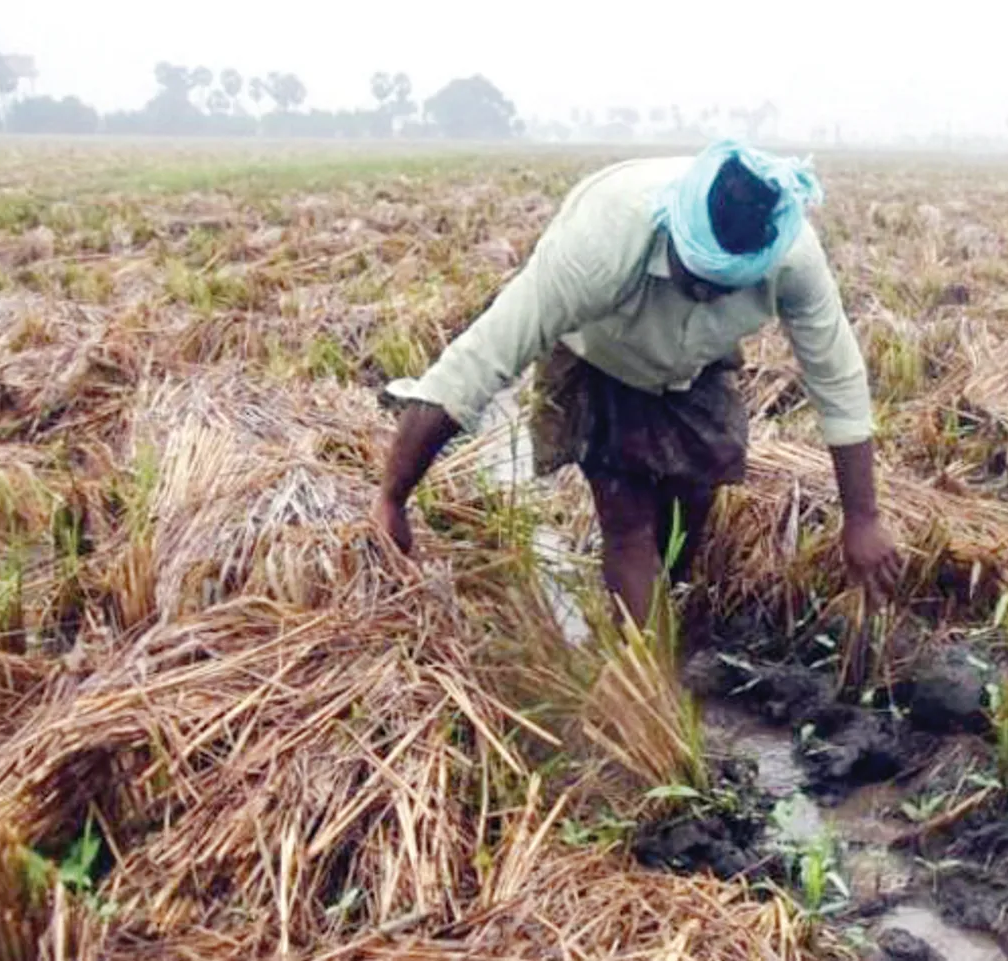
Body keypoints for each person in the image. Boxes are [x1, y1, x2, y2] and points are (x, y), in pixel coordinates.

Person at [372, 139, 900, 627]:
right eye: (694, 278)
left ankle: (658, 616)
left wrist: (863, 517)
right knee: (628, 525)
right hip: (598, 355)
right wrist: (393, 497)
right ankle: (643, 669)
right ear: (676, 234)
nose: (703, 295)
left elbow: (838, 377)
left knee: (692, 502)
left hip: (696, 366)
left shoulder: (792, 256)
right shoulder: (600, 242)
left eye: (723, 289)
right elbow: (480, 359)